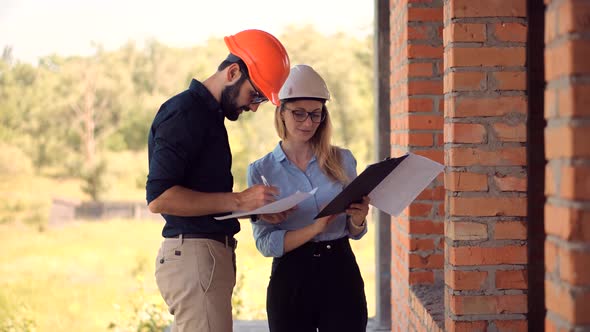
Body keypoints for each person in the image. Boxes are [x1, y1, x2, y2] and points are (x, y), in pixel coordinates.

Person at [145, 29, 290, 332]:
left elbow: (202, 196)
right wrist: (239, 199)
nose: (253, 107)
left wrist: (253, 209)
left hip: (206, 258)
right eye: (255, 95)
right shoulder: (185, 113)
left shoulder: (208, 118)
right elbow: (161, 198)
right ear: (233, 72)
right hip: (196, 257)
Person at [247, 64, 370, 332]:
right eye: (299, 113)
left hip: (341, 271)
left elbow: (356, 232)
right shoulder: (261, 170)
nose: (307, 123)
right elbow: (266, 243)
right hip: (291, 278)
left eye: (316, 115)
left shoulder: (343, 160)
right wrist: (314, 227)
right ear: (281, 112)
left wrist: (358, 221)